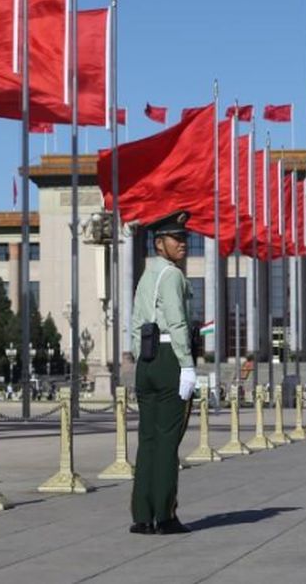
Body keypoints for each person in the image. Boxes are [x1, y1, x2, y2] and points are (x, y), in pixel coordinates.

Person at [129, 210, 197, 536]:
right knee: (168, 441)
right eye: (176, 238)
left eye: (184, 238)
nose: (183, 243)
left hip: (146, 359)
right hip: (169, 356)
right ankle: (165, 516)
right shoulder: (170, 275)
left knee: (148, 440)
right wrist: (186, 364)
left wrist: (140, 358)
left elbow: (134, 324)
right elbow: (178, 321)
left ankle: (142, 515)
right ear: (159, 243)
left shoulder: (145, 276)